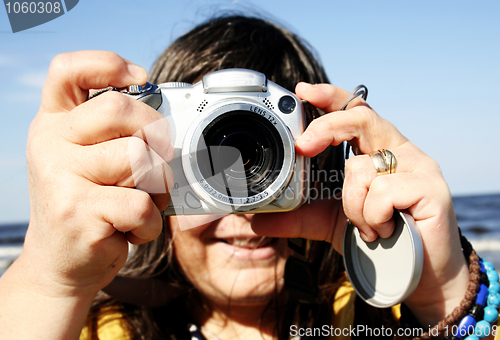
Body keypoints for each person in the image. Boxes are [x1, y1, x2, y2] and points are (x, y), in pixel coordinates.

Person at [0, 14, 496, 340]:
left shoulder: (389, 319)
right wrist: (50, 282)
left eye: (268, 151)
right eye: (211, 154)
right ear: (146, 159)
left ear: (320, 156)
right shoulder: (80, 324)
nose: (240, 200)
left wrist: (442, 288)